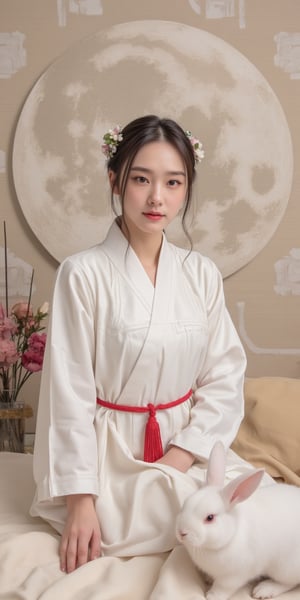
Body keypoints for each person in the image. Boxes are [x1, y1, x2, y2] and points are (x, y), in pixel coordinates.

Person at [30, 114, 251, 575]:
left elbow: (225, 375)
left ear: (187, 188)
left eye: (173, 182)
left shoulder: (201, 273)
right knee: (192, 530)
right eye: (141, 179)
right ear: (114, 180)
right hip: (109, 459)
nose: (157, 198)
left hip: (184, 448)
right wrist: (79, 500)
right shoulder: (82, 273)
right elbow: (68, 393)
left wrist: (183, 453)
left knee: (257, 513)